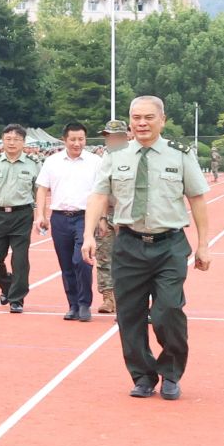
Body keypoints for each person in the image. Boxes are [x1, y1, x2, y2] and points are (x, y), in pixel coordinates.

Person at [83, 95, 213, 399]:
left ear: (162, 120)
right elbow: (99, 195)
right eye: (136, 118)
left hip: (169, 245)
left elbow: (197, 198)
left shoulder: (180, 155)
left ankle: (171, 372)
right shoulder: (115, 155)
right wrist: (88, 235)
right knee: (129, 315)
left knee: (168, 311)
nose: (141, 123)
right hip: (128, 244)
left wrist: (203, 245)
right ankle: (142, 375)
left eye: (148, 117)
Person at [34, 121, 101, 321]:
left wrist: (102, 217)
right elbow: (42, 189)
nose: (77, 143)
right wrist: (40, 215)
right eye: (73, 139)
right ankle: (73, 305)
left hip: (85, 217)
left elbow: (102, 193)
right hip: (60, 218)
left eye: (81, 139)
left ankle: (84, 303)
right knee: (66, 264)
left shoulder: (95, 162)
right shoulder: (52, 161)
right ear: (64, 140)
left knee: (82, 260)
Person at [0, 124, 39, 313]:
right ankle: (7, 286)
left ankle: (17, 299)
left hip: (22, 215)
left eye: (16, 139)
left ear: (23, 142)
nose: (12, 143)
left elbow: (40, 191)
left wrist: (41, 215)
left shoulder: (33, 164)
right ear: (2, 141)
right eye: (8, 139)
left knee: (20, 259)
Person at [93, 118, 128, 314]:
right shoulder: (103, 160)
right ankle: (108, 297)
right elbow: (100, 192)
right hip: (108, 212)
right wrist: (102, 218)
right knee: (104, 256)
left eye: (115, 137)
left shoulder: (134, 157)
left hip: (130, 216)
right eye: (108, 137)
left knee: (129, 260)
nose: (111, 140)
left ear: (125, 137)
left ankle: (126, 299)